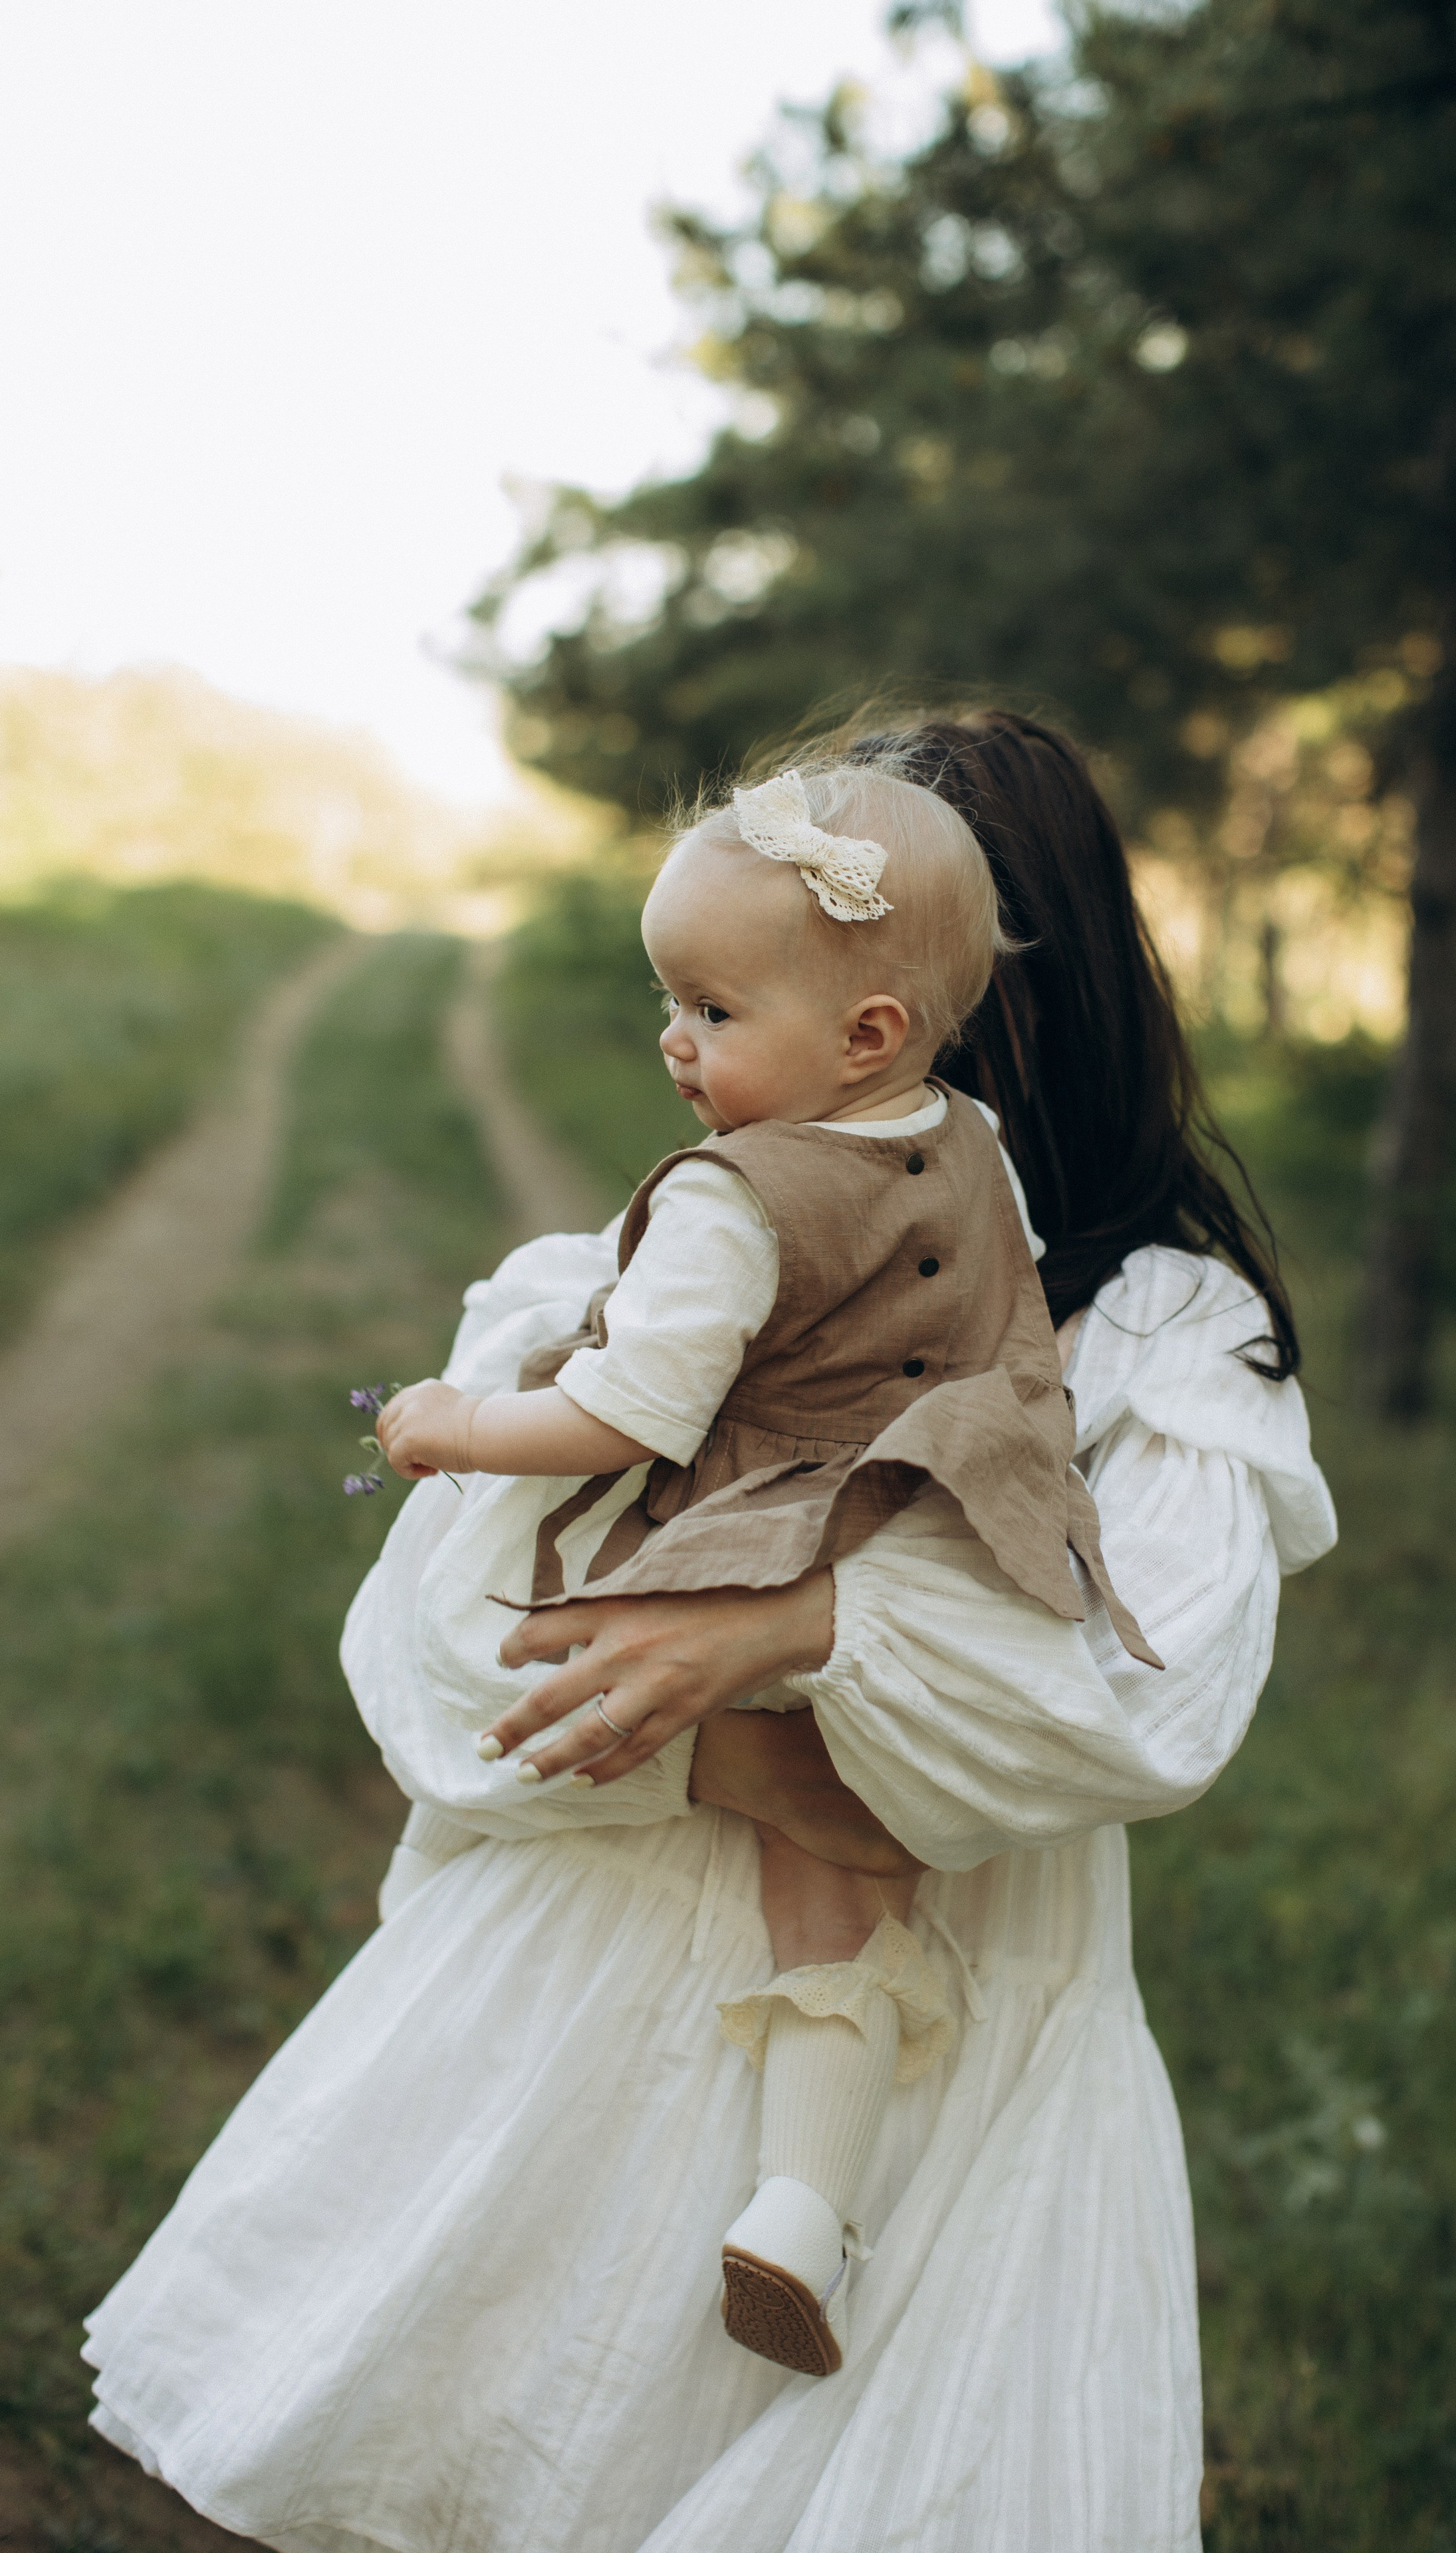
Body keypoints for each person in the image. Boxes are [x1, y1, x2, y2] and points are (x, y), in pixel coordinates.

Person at [84, 709, 1336, 2553]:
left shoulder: (1165, 1334)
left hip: (957, 2042)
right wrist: (689, 1703)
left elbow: (1139, 1699)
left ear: (939, 1015)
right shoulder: (684, 1258)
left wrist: (782, 1632)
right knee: (512, 2446)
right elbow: (456, 1645)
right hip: (591, 1975)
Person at [365, 755, 1155, 2379]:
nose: (674, 1042)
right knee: (845, 1870)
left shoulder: (732, 1198)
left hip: (747, 1542)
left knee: (528, 1705)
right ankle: (802, 2202)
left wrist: (457, 1421)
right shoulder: (972, 1142)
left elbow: (626, 1408)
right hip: (921, 1530)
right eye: (673, 1005)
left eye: (710, 1011)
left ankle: (489, 2057)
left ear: (864, 1031)